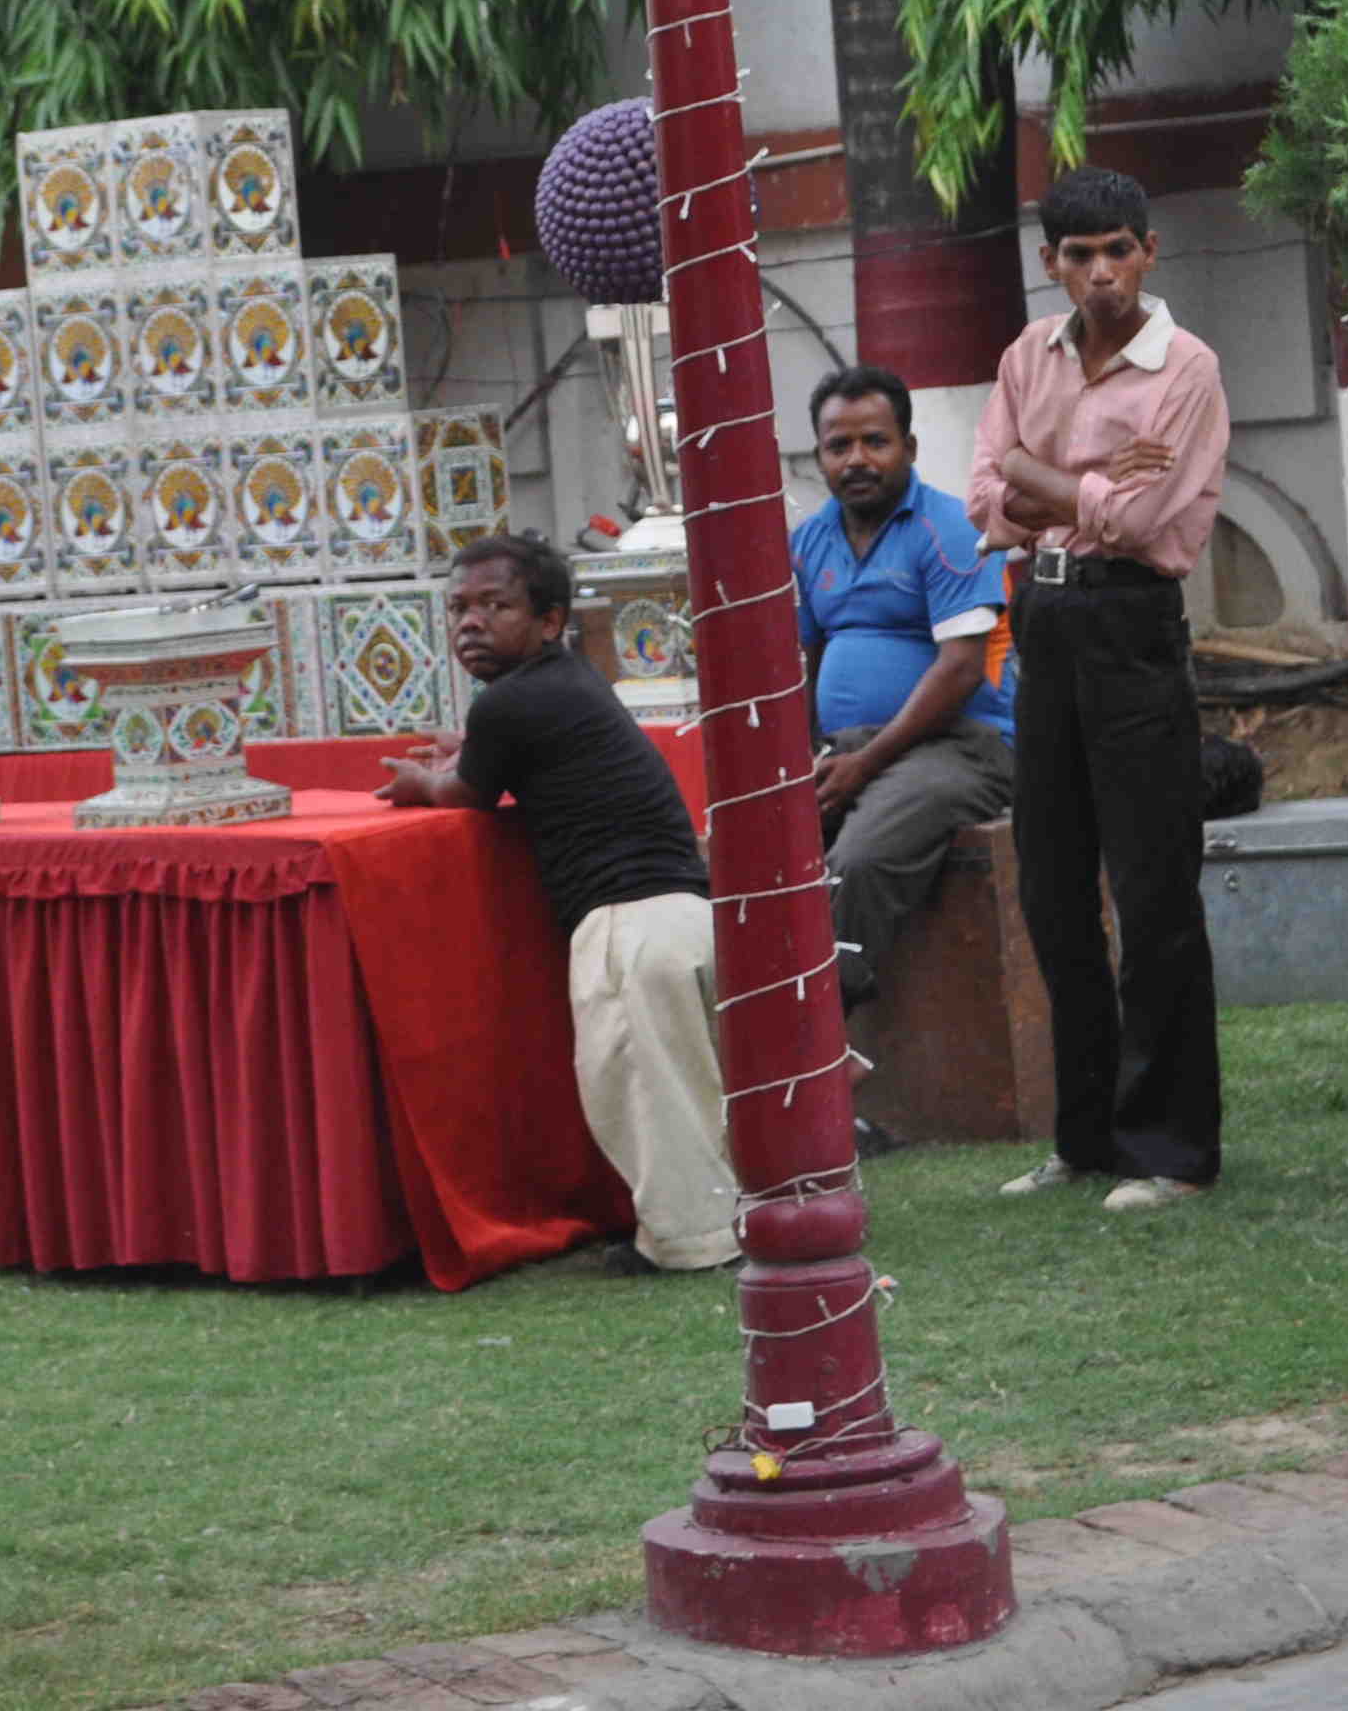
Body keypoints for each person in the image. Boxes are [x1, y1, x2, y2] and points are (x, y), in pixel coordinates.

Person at [963, 165, 1234, 1213]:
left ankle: (1172, 1150)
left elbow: (1137, 519)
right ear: (1051, 263)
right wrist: (1071, 485)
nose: (1103, 272)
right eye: (1080, 256)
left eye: (1120, 250)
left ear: (1148, 252)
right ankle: (1084, 1139)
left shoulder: (1186, 367)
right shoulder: (1025, 355)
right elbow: (984, 499)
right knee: (1052, 884)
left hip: (1131, 622)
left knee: (1153, 886)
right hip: (1043, 615)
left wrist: (1037, 476)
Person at [381, 533, 736, 1273]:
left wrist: (422, 783)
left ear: (549, 621)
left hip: (627, 921)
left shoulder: (510, 702)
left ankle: (690, 1242)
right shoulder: (564, 681)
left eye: (495, 606)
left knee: (644, 1086)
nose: (470, 623)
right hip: (680, 911)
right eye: (458, 608)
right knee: (687, 1082)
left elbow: (465, 794)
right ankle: (715, 1222)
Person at [791, 365, 1018, 1022]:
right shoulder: (808, 542)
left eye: (875, 441)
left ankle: (825, 1041)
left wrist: (864, 765)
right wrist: (800, 760)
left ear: (909, 448)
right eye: (839, 446)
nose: (857, 460)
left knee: (858, 860)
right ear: (819, 457)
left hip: (962, 747)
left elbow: (961, 670)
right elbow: (802, 663)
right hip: (849, 749)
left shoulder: (950, 529)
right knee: (757, 848)